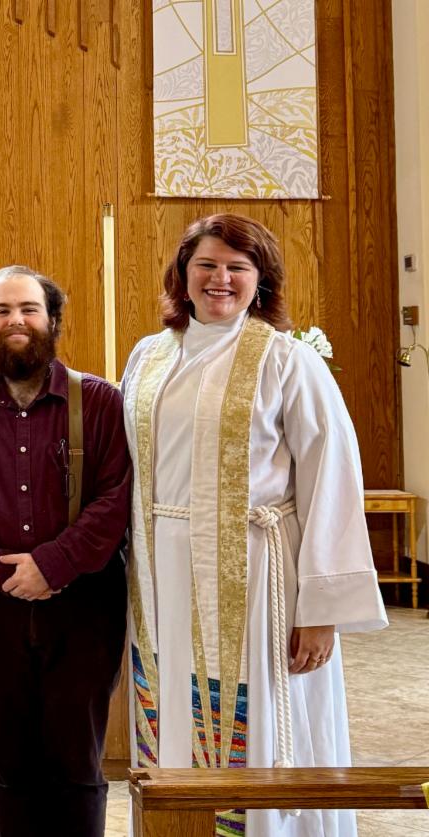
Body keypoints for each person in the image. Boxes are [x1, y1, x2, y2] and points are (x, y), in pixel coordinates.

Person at [120, 213, 388, 836]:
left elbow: (331, 477)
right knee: (170, 716)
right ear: (182, 274)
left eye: (237, 267)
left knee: (260, 721)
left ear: (260, 279)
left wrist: (320, 609)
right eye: (206, 265)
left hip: (256, 575)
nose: (220, 279)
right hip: (159, 577)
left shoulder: (287, 360)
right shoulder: (149, 356)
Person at [0, 266, 131, 836]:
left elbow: (115, 499)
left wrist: (51, 565)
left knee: (77, 760)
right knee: (10, 763)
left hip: (85, 604)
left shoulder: (99, 402)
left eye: (28, 309)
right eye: (1, 311)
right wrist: (5, 573)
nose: (15, 321)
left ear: (53, 320)